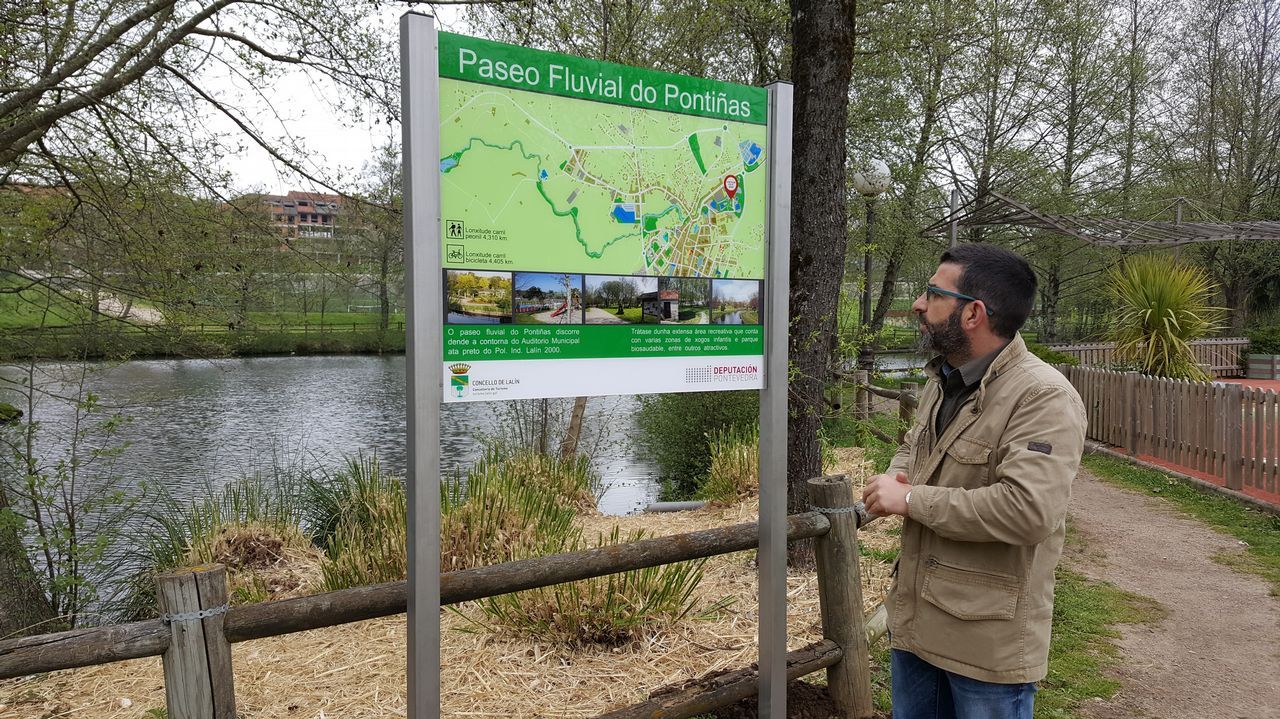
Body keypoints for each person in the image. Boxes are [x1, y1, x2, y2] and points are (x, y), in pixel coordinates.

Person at [861, 244, 1087, 719]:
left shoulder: (1042, 397)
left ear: (973, 314)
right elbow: (916, 444)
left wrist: (911, 499)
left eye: (932, 293)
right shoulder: (944, 378)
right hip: (917, 622)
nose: (920, 305)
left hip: (984, 646)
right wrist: (895, 475)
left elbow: (1028, 512)